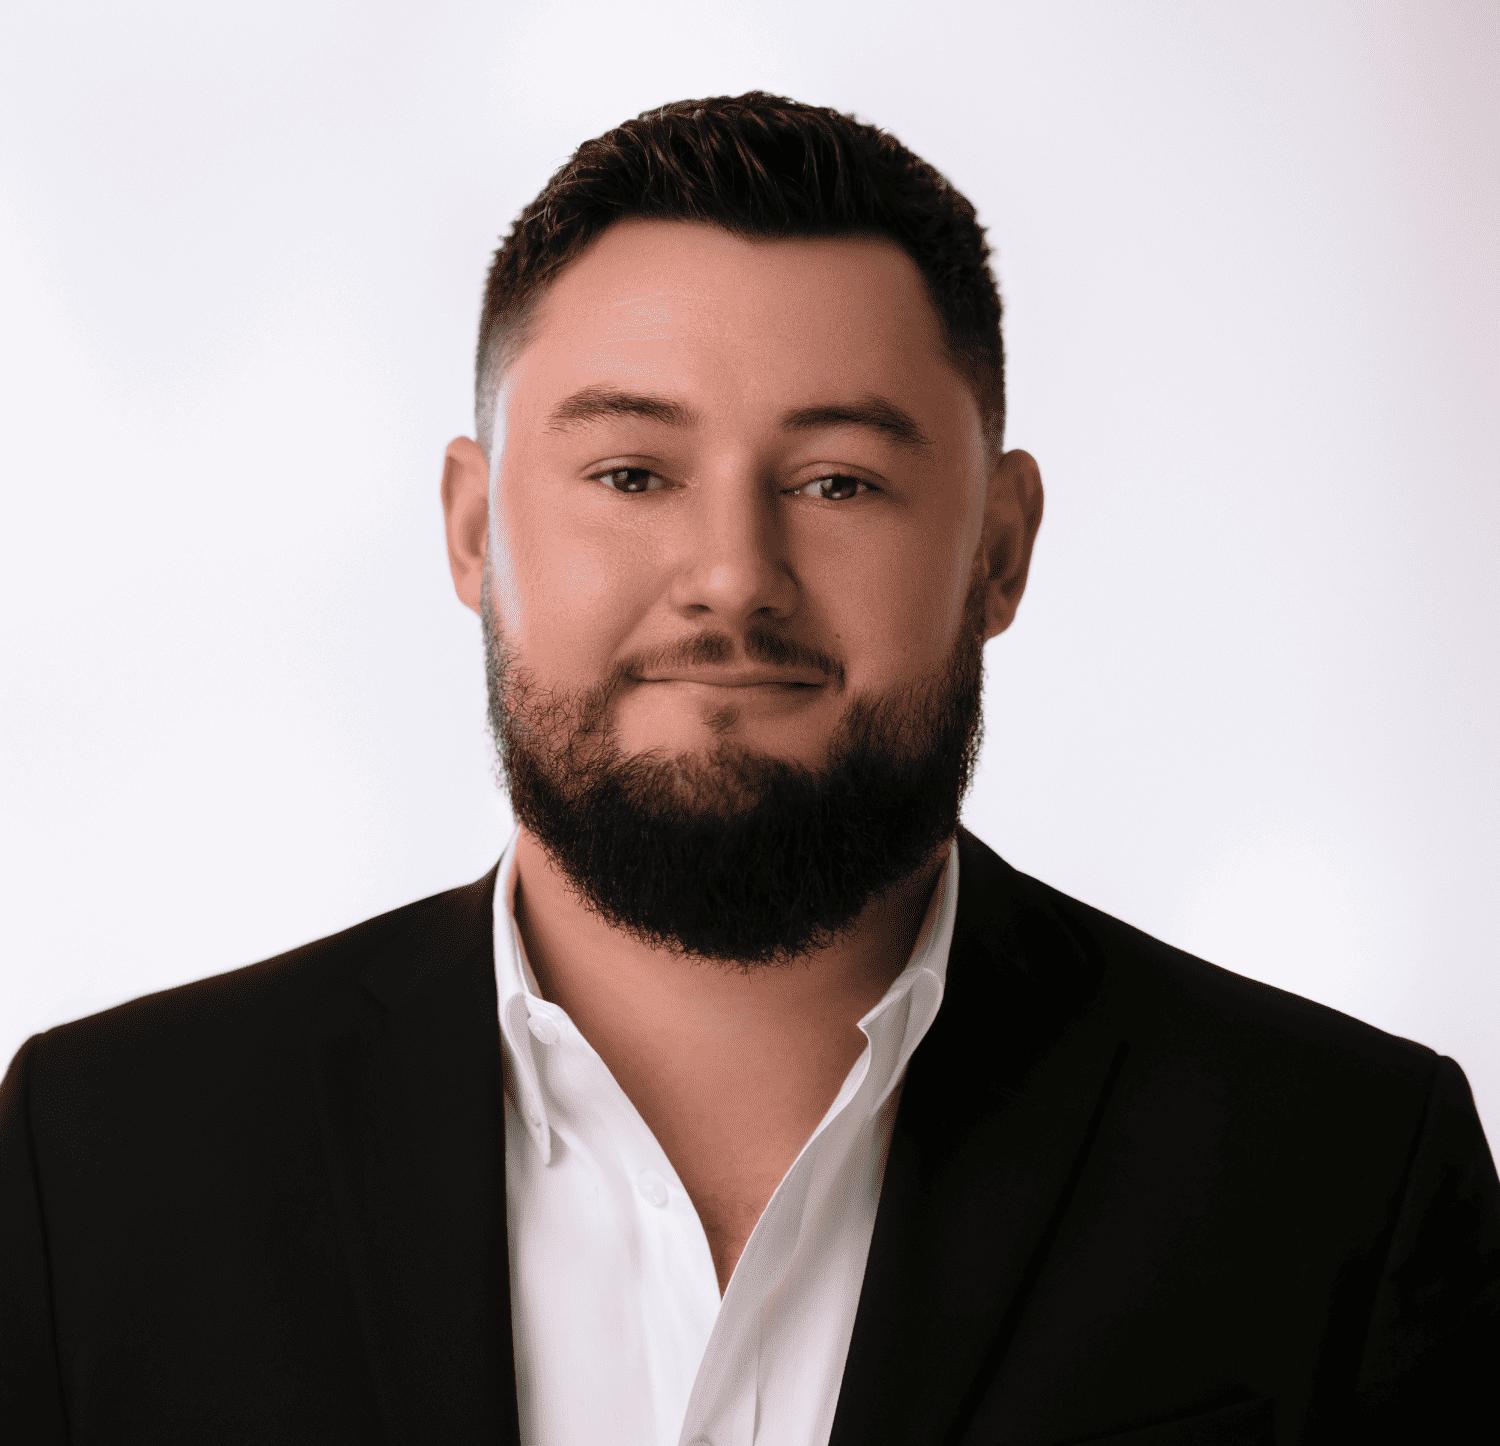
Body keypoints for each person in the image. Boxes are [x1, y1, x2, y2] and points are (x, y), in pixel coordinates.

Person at [2, 90, 1496, 1446]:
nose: (732, 576)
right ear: (473, 529)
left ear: (1000, 548)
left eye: (839, 480)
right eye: (631, 474)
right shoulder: (100, 1167)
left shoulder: (1344, 1179)